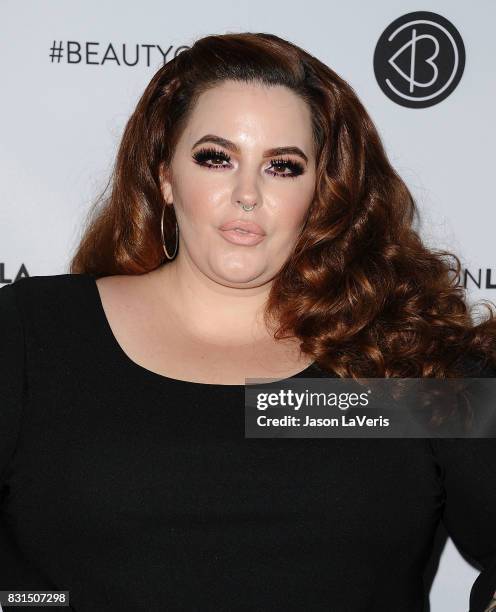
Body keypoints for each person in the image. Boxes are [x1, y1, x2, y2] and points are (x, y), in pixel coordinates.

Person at [1, 31, 495, 612]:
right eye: (216, 157)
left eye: (282, 166)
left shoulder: (405, 358)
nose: (246, 194)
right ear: (164, 174)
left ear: (322, 192)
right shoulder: (32, 336)